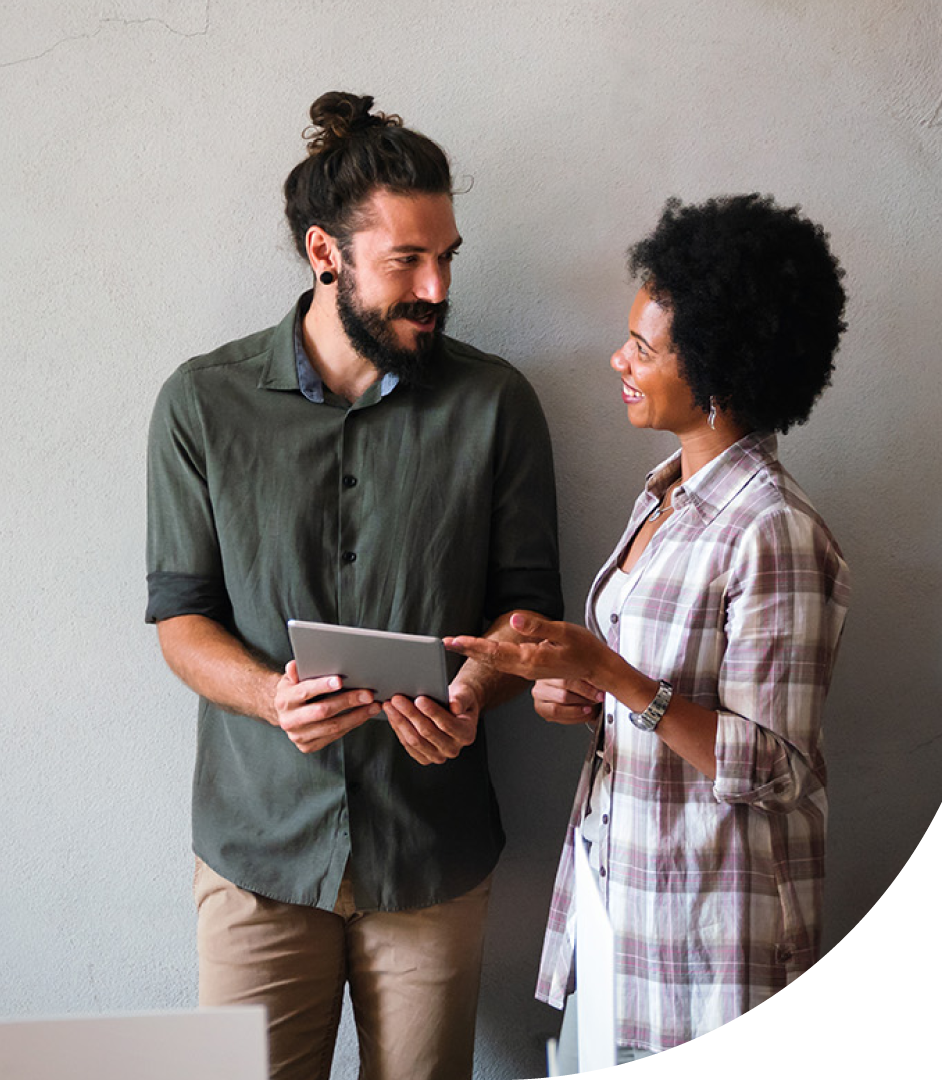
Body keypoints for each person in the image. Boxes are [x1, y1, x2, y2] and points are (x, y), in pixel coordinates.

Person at [145, 92, 562, 1080]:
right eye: (405, 262)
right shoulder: (201, 403)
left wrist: (475, 689)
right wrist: (268, 696)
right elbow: (179, 617)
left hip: (430, 853)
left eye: (446, 258)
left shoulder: (494, 403)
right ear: (324, 254)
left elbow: (527, 617)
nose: (435, 288)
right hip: (256, 853)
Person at [447, 194, 851, 1070]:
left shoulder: (771, 532)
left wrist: (621, 679)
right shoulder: (664, 497)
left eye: (644, 347)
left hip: (712, 942)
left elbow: (776, 766)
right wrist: (582, 694)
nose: (617, 359)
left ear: (718, 374)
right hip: (620, 897)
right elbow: (661, 699)